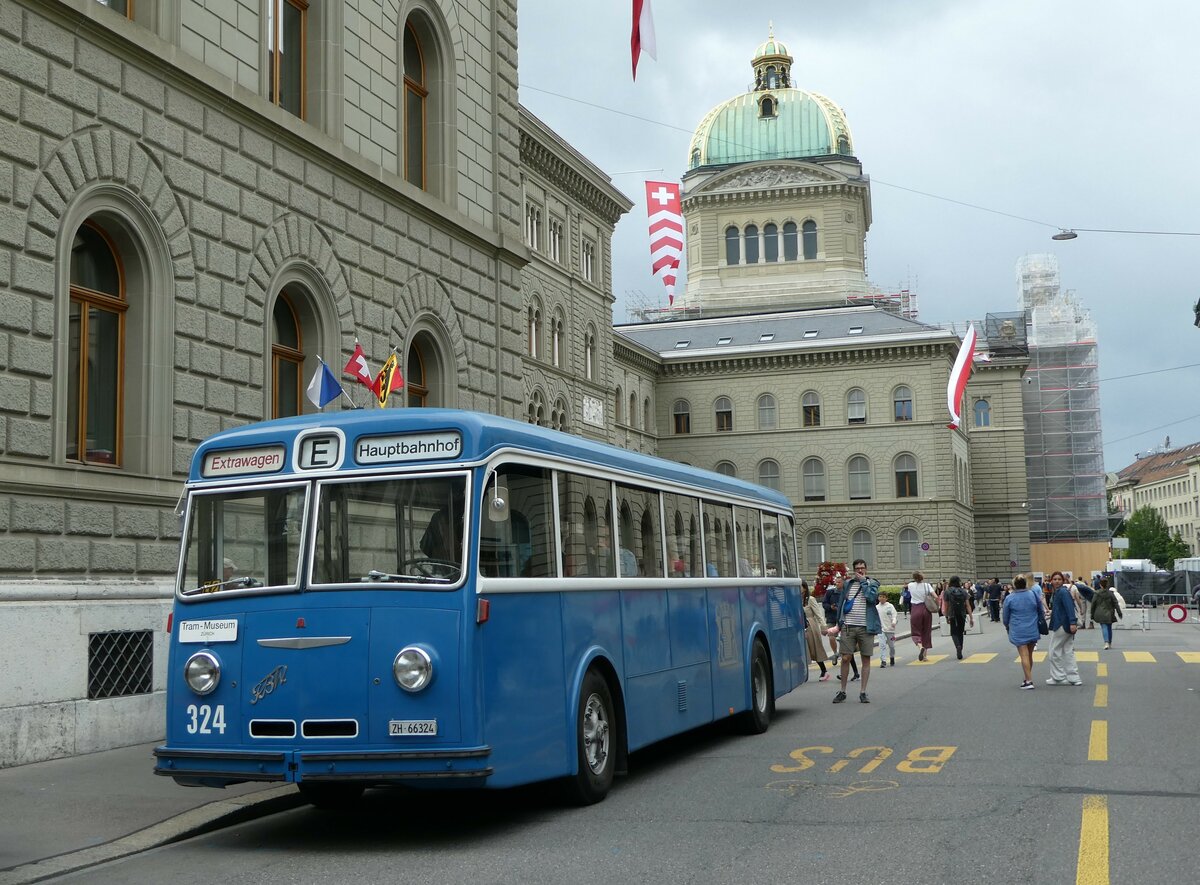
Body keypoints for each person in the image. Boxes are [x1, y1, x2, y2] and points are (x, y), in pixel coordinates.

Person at [832, 559, 879, 703]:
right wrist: (838, 624)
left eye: (862, 568)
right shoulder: (847, 584)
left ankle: (863, 692)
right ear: (853, 570)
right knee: (845, 657)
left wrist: (864, 581)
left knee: (866, 659)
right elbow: (841, 603)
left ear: (866, 569)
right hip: (848, 626)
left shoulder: (873, 583)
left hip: (866, 627)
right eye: (857, 568)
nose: (860, 570)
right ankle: (843, 691)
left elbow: (871, 598)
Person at [1002, 574, 1046, 689]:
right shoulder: (1032, 594)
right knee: (1029, 655)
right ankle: (1027, 678)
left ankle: (1029, 681)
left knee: (1024, 655)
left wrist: (1006, 625)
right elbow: (1040, 610)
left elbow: (1006, 616)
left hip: (1018, 629)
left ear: (1014, 585)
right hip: (1032, 627)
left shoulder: (1010, 598)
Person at [1046, 570, 1083, 686]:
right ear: (1051, 581)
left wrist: (1072, 622)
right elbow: (1064, 608)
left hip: (1062, 625)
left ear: (1063, 581)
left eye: (1059, 579)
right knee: (1068, 651)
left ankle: (1058, 677)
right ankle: (1074, 678)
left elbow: (1069, 608)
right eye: (1055, 579)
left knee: (1054, 651)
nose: (1057, 581)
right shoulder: (1059, 592)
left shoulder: (1062, 592)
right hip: (1065, 624)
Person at [825, 573, 859, 681]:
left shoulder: (847, 593)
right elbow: (824, 604)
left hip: (844, 622)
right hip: (833, 619)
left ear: (843, 583)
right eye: (836, 582)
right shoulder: (830, 592)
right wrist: (831, 607)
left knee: (846, 650)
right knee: (845, 650)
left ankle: (854, 672)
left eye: (839, 582)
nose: (837, 584)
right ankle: (836, 654)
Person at [802, 583, 831, 681]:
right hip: (800, 626)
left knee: (815, 648)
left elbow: (818, 614)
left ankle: (824, 670)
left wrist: (823, 626)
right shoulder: (796, 599)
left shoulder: (810, 599)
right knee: (803, 650)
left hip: (811, 625)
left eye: (800, 587)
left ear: (804, 588)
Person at [942, 575, 974, 660]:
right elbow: (968, 605)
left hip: (952, 614)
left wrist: (946, 616)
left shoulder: (947, 592)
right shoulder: (963, 591)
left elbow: (946, 606)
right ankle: (961, 648)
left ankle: (958, 646)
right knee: (960, 632)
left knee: (953, 632)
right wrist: (971, 618)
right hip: (962, 614)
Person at [906, 570, 935, 661]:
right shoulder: (927, 585)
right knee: (926, 631)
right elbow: (936, 596)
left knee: (915, 631)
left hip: (915, 609)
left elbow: (905, 588)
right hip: (926, 609)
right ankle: (925, 656)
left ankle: (920, 646)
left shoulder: (910, 585)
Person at [1090, 577, 1122, 649]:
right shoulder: (1111, 593)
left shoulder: (1097, 593)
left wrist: (1092, 614)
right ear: (1107, 584)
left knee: (1104, 627)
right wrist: (1119, 612)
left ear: (1100, 585)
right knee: (1109, 627)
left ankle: (1106, 642)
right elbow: (1115, 603)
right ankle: (1109, 642)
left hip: (1100, 613)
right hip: (1110, 612)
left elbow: (1093, 604)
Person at [877, 591, 898, 667]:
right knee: (882, 645)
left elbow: (894, 615)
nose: (881, 598)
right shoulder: (877, 607)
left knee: (891, 646)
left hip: (890, 629)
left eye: (883, 597)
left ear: (886, 598)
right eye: (880, 596)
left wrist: (894, 622)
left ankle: (892, 657)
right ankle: (883, 661)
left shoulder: (890, 606)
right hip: (881, 629)